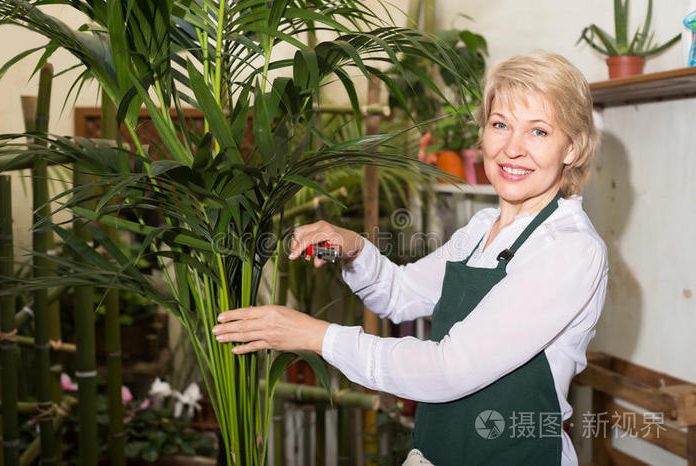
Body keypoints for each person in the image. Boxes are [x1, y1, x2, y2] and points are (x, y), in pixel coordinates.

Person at [213, 51, 608, 465]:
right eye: (500, 125)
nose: (512, 149)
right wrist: (353, 248)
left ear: (573, 148)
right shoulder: (481, 228)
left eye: (539, 132)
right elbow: (400, 294)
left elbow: (449, 369)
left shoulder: (569, 249)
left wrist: (318, 337)